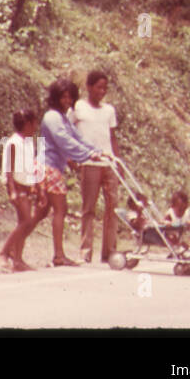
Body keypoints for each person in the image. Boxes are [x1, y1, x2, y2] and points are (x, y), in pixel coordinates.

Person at [36, 78, 103, 266]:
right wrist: (87, 154)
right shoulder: (52, 117)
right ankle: (58, 255)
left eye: (70, 97)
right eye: (63, 97)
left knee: (39, 214)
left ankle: (11, 250)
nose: (66, 101)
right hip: (48, 166)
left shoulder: (63, 118)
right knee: (60, 209)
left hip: (52, 167)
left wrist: (97, 151)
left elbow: (77, 137)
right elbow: (64, 140)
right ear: (56, 98)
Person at [72, 70, 119, 263]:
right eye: (99, 87)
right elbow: (68, 133)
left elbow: (113, 138)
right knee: (88, 208)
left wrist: (117, 161)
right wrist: (72, 158)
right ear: (89, 87)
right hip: (89, 162)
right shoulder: (78, 107)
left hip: (108, 163)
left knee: (112, 208)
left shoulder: (109, 111)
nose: (102, 91)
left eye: (105, 88)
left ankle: (109, 252)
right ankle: (86, 252)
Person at [0, 108, 47, 272]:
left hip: (26, 184)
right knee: (26, 221)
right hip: (17, 185)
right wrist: (12, 190)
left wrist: (38, 188)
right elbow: (9, 170)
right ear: (27, 124)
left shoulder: (28, 142)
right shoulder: (14, 142)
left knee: (23, 222)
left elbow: (31, 166)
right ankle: (4, 252)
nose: (35, 127)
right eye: (34, 123)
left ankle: (18, 260)